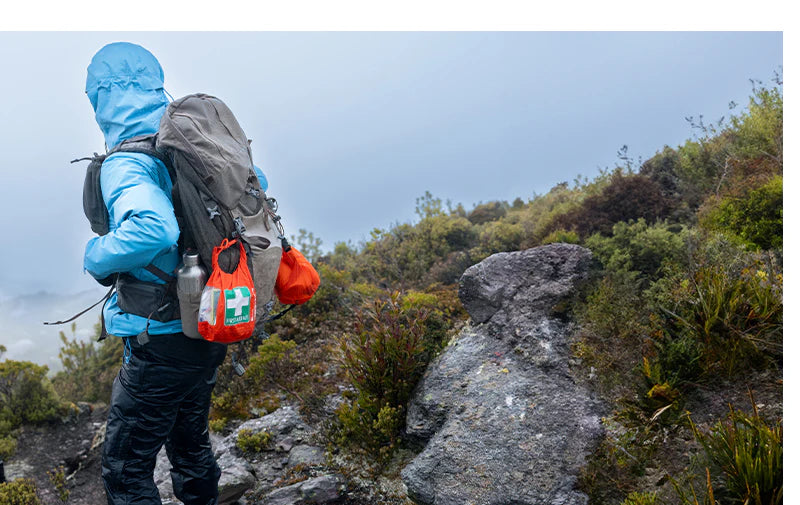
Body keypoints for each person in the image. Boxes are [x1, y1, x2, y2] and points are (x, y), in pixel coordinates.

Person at [84, 42, 266, 505]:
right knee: (190, 444)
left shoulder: (127, 161)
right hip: (212, 316)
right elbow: (255, 186)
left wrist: (97, 256)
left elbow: (154, 229)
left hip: (162, 336)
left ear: (100, 100)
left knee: (125, 471)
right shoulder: (195, 146)